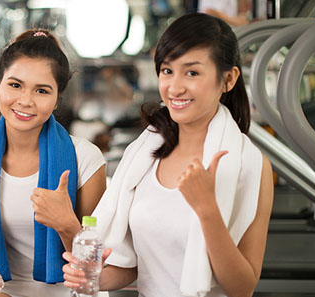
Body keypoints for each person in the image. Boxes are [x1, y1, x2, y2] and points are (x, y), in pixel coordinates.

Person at [62, 13, 273, 297]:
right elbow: (134, 267)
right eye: (166, 70)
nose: (175, 87)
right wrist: (91, 276)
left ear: (228, 79)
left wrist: (207, 210)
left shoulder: (251, 166)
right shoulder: (144, 154)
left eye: (192, 72)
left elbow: (242, 288)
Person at [0, 28, 106, 297]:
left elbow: (96, 270)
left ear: (58, 99)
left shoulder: (86, 159)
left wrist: (66, 224)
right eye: (15, 85)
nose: (25, 101)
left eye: (42, 91)